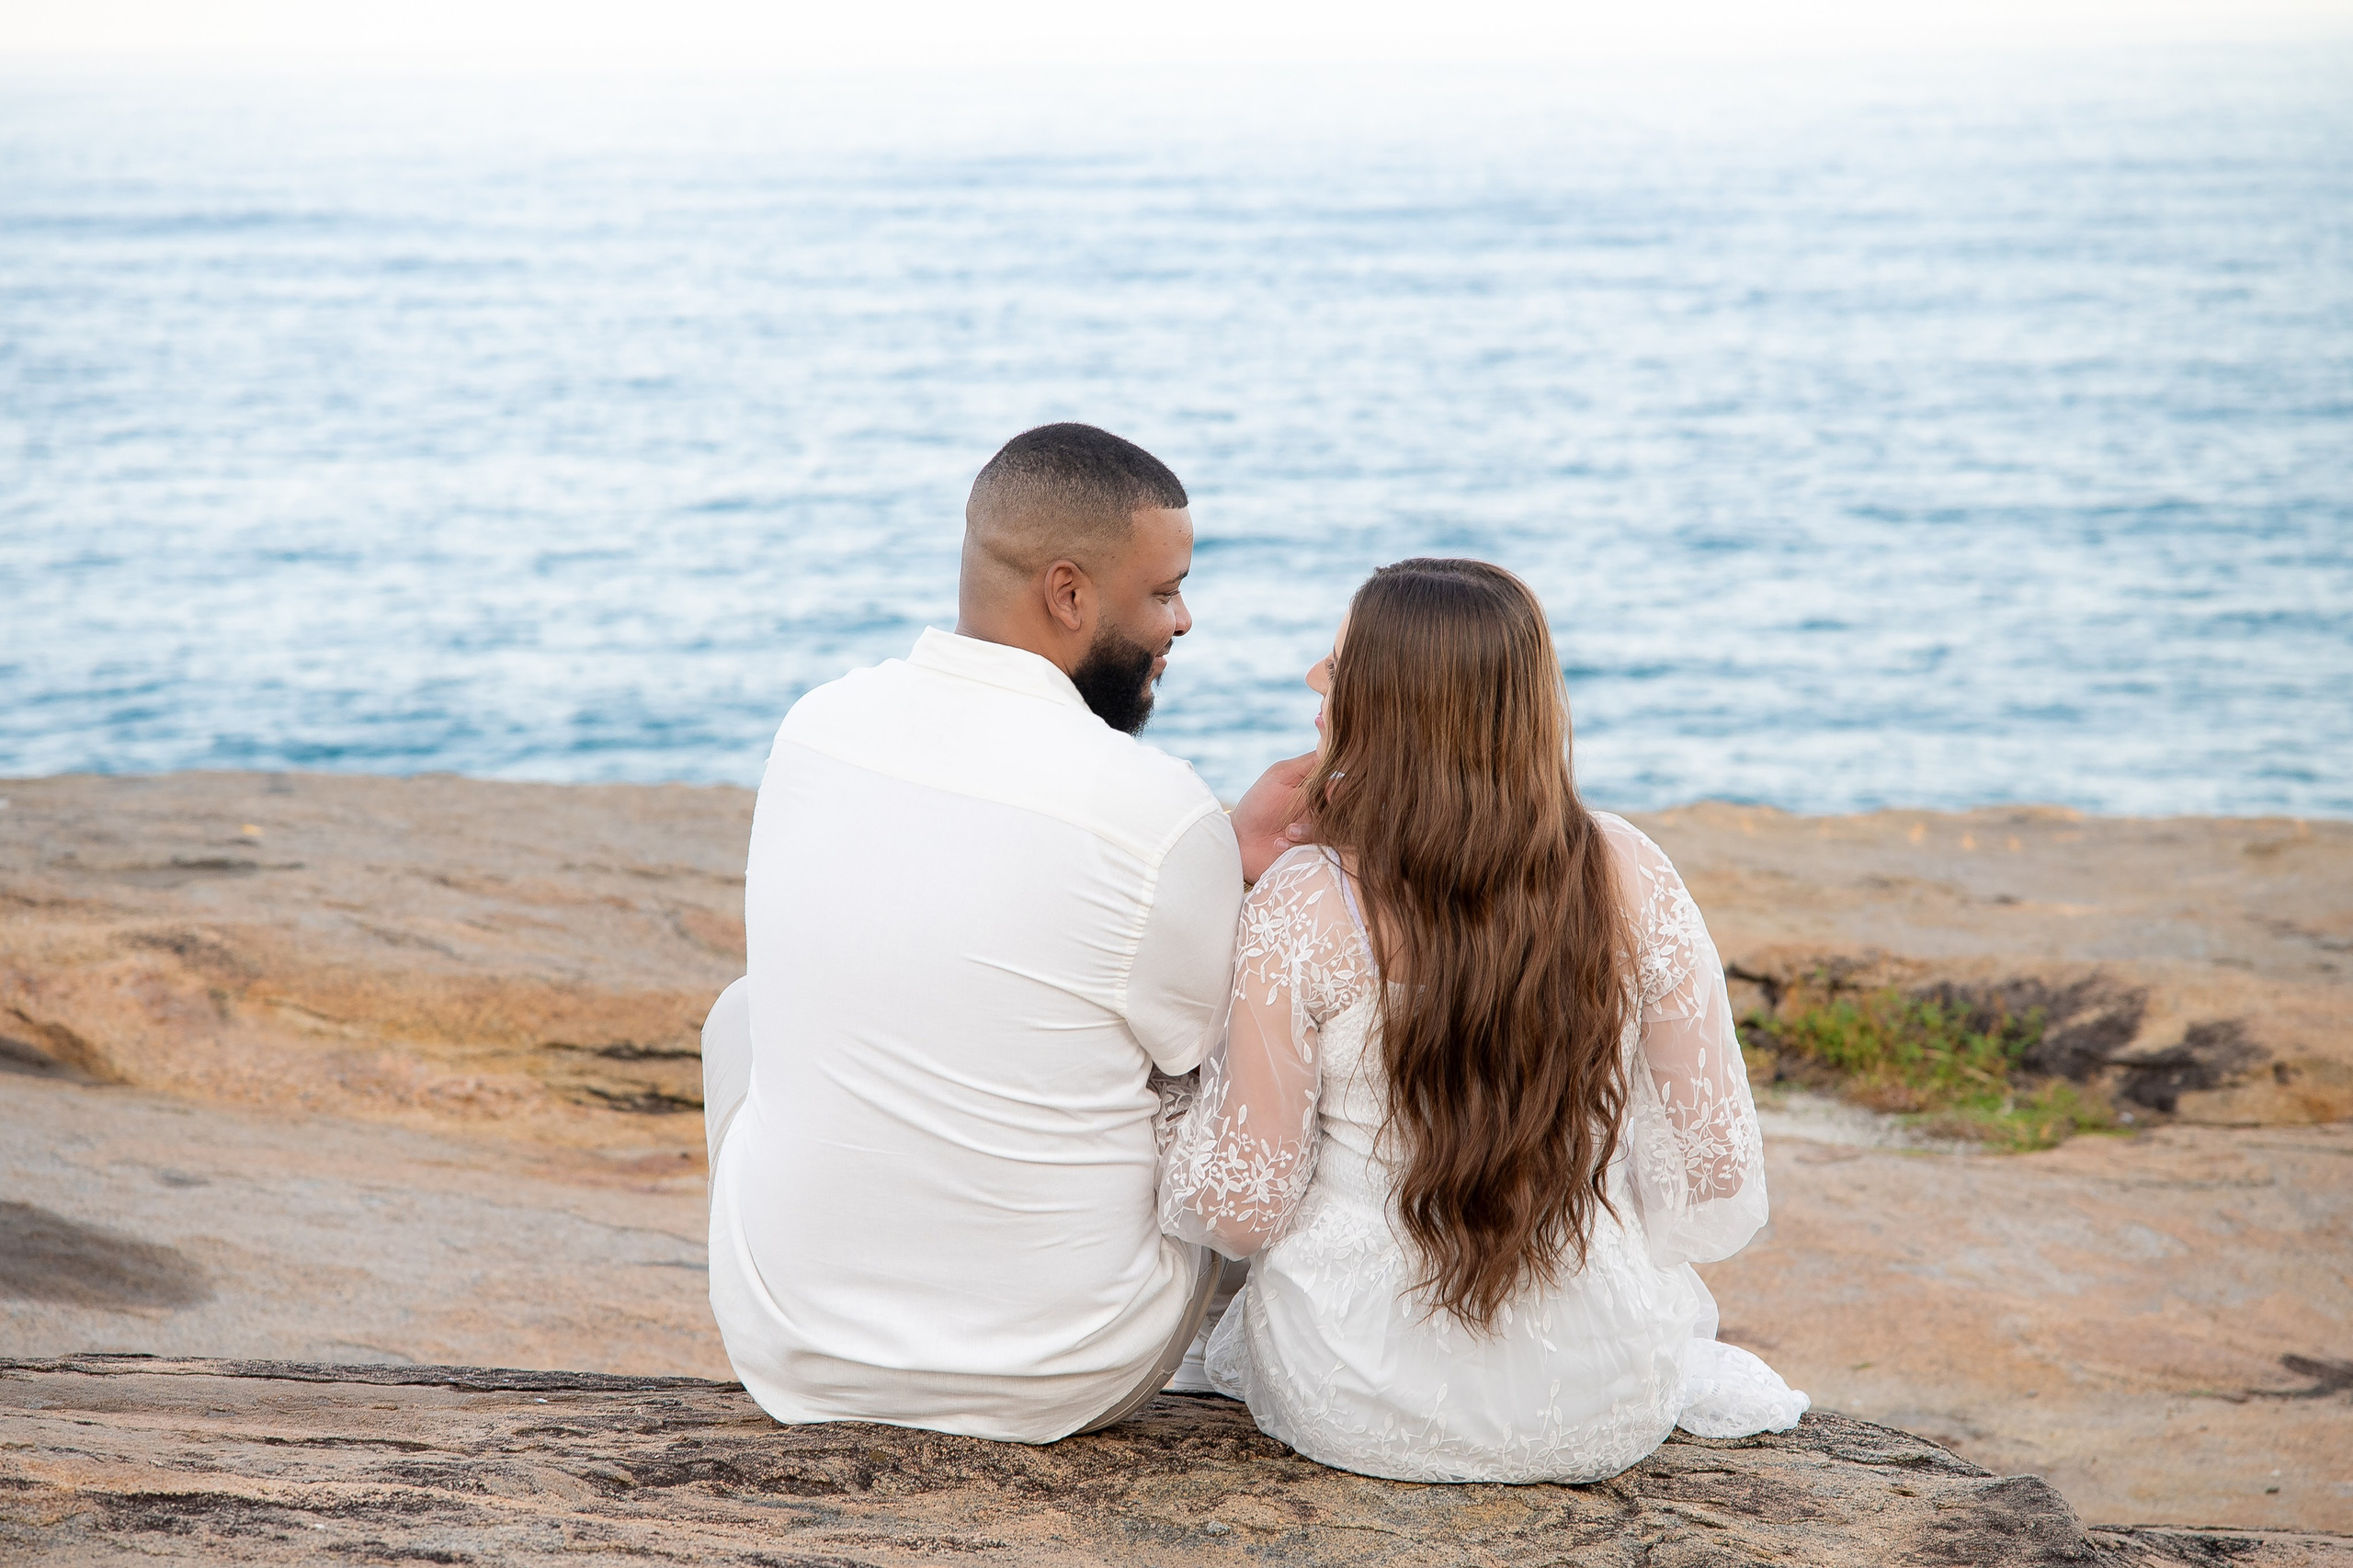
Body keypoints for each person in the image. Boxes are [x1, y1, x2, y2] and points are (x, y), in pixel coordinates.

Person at [702, 424, 1298, 1442]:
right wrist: (1232, 869)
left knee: (744, 1012)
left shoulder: (815, 727)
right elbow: (1209, 1059)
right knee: (1233, 1065)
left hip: (789, 1348)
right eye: (1164, 593)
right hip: (1062, 1369)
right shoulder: (1154, 806)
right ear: (1069, 594)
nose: (1183, 621)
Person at [1157, 557, 1807, 1483]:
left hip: (1357, 1386)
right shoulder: (1631, 873)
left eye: (1339, 666)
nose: (1313, 678)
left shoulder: (1306, 902)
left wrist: (1173, 1095)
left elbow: (1240, 1211)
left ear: (1395, 706)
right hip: (1602, 1392)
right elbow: (1713, 1175)